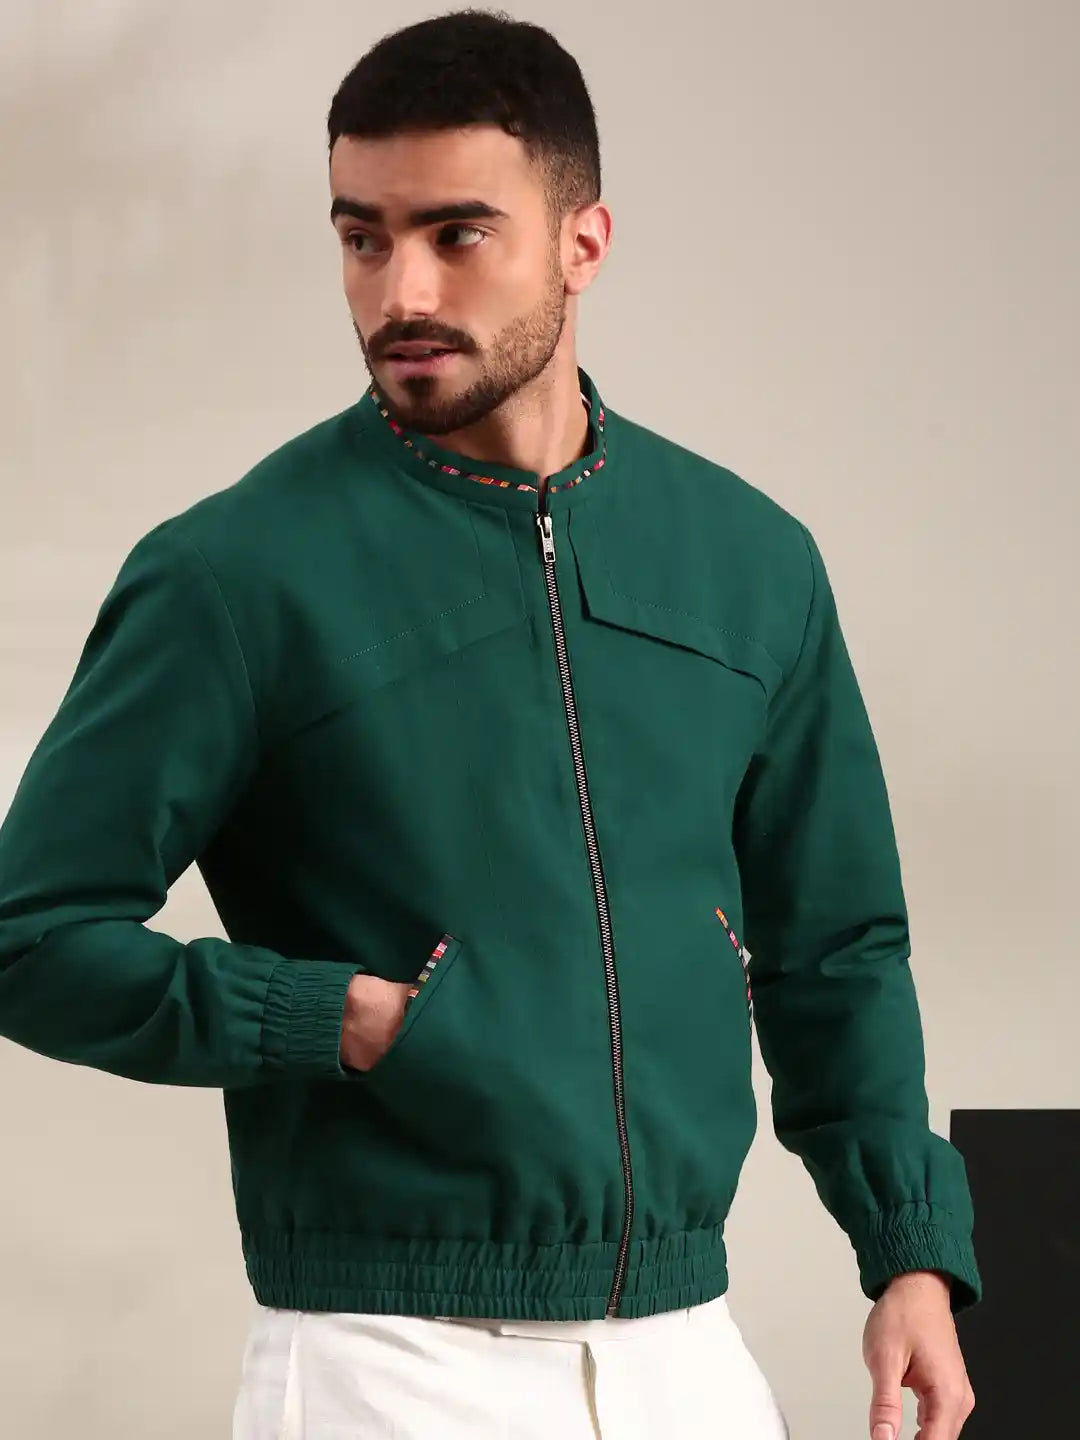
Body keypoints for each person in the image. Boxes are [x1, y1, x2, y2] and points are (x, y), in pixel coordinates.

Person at [0, 10, 980, 1439]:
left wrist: (909, 1254)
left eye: (457, 233)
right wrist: (325, 1017)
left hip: (687, 1356)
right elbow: (29, 934)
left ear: (583, 241)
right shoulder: (238, 575)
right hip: (387, 1355)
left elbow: (837, 945)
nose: (400, 288)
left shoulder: (750, 561)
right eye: (362, 237)